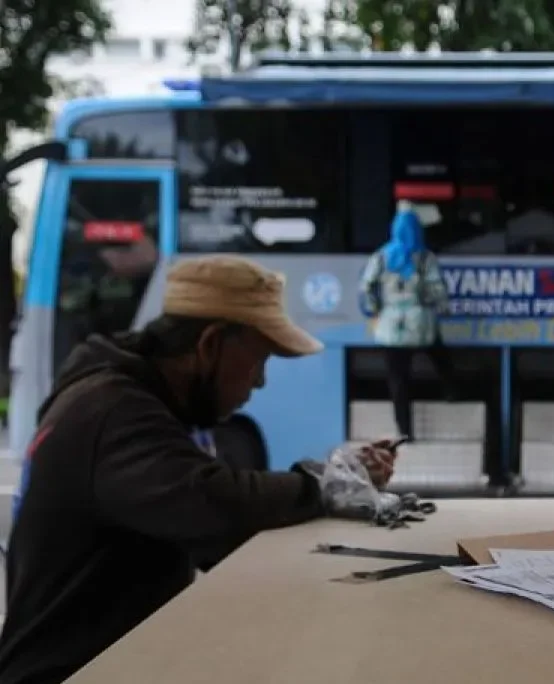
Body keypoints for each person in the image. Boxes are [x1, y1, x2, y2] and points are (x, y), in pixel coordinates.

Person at [0, 255, 397, 684]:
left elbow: (214, 542)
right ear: (209, 345)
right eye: (258, 360)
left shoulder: (133, 400)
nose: (259, 382)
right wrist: (328, 484)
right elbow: (214, 505)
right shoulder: (115, 411)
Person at [360, 204, 458, 440]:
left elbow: (366, 287)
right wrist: (443, 309)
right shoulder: (425, 257)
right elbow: (437, 289)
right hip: (420, 322)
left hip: (390, 327)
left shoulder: (382, 256)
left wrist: (375, 309)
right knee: (439, 353)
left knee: (398, 380)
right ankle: (451, 391)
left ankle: (405, 430)